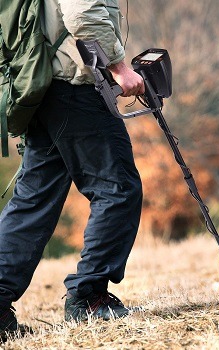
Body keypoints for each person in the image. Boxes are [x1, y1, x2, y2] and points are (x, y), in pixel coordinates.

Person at [0, 0, 144, 336]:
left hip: (41, 87)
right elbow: (83, 12)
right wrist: (119, 67)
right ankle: (89, 298)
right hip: (72, 88)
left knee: (33, 201)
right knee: (117, 188)